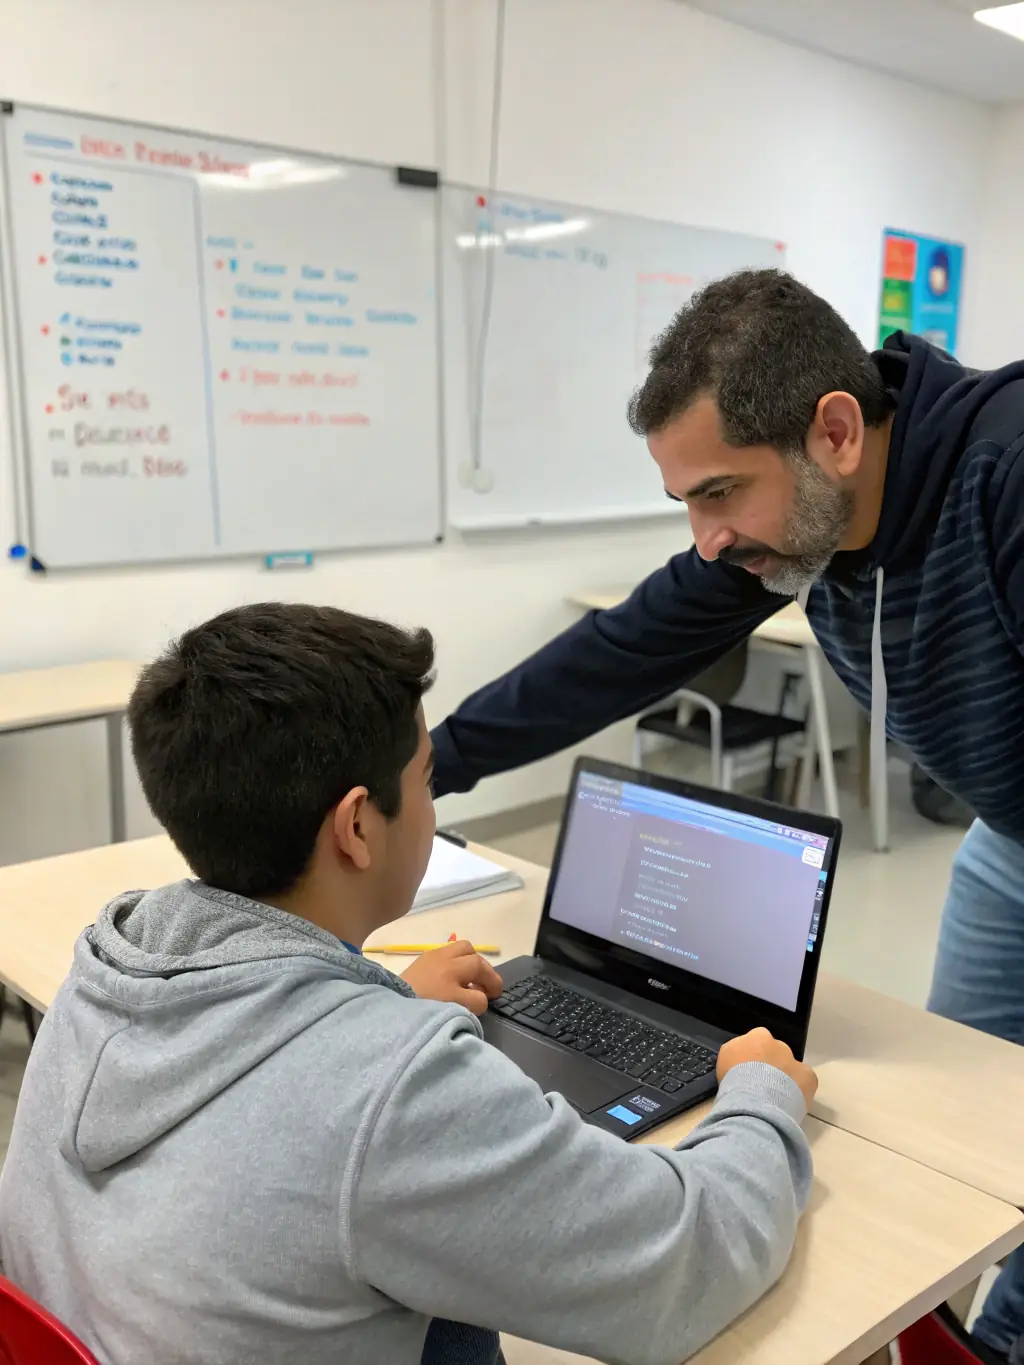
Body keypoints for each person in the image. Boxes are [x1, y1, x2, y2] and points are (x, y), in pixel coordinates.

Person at [430, 269, 1024, 1363]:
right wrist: (433, 765)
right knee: (967, 1137)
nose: (707, 538)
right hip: (1011, 840)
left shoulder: (1008, 471)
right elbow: (623, 648)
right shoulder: (798, 516)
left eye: (718, 494)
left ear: (834, 431)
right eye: (687, 504)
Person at [0, 602, 816, 1365]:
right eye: (427, 778)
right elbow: (684, 1261)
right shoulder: (400, 1092)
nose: (431, 803)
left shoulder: (114, 964)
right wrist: (760, 1093)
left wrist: (374, 1000)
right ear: (357, 825)